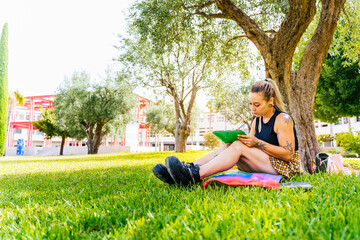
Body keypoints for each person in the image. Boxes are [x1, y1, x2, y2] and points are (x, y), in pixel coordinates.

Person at [152, 79, 300, 187]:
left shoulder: (283, 119)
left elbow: (288, 154)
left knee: (238, 146)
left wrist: (256, 142)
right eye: (250, 104)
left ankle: (195, 175)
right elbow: (252, 148)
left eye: (257, 105)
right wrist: (241, 137)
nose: (252, 108)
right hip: (266, 163)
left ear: (271, 101)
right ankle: (187, 169)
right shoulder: (257, 120)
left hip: (285, 168)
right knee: (231, 143)